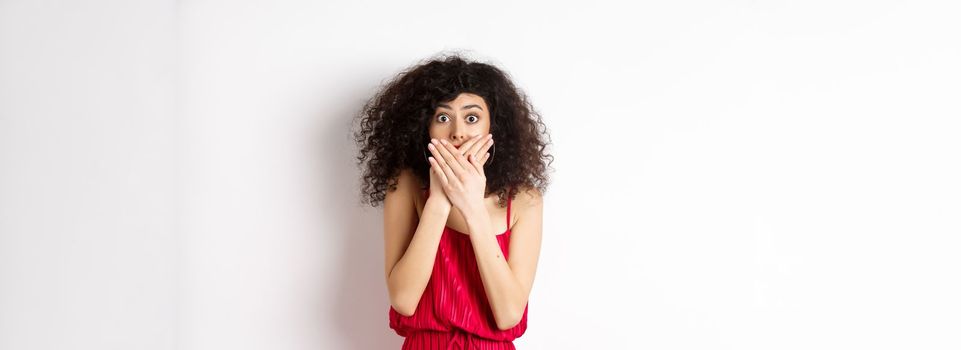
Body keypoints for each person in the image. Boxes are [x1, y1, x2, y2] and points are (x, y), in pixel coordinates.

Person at [354, 52, 553, 349]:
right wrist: (439, 201)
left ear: (492, 127)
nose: (458, 132)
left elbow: (509, 314)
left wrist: (472, 207)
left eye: (472, 118)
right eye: (443, 118)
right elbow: (404, 301)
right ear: (425, 128)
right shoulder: (406, 185)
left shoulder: (524, 200)